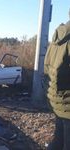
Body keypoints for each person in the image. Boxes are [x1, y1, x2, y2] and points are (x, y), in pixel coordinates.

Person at [44, 17, 70, 150]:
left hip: (57, 102)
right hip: (67, 104)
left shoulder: (56, 39)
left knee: (59, 141)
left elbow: (46, 69)